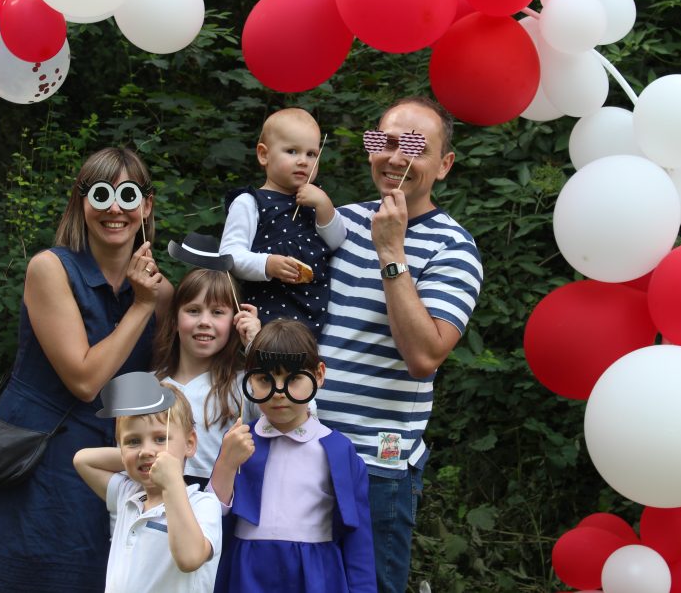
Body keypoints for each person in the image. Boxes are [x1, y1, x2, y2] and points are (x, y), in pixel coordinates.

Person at [0, 147, 173, 593]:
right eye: (101, 194)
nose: (115, 209)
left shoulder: (160, 293)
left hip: (111, 461)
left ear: (146, 205)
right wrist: (141, 306)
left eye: (128, 196)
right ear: (81, 202)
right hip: (37, 455)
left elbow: (169, 380)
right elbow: (84, 380)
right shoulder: (50, 269)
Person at [315, 96, 484, 593]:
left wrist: (391, 249)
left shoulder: (454, 248)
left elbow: (424, 356)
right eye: (385, 142)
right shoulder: (337, 222)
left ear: (445, 165)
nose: (395, 158)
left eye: (415, 147)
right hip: (297, 444)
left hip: (374, 468)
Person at [208, 319, 375, 593]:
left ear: (319, 375)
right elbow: (210, 518)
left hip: (317, 575)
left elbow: (358, 537)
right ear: (250, 378)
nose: (278, 393)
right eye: (265, 379)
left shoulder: (338, 449)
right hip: (247, 573)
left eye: (293, 378)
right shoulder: (238, 441)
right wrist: (226, 464)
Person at [73, 373, 222, 593]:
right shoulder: (128, 494)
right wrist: (131, 458)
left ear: (190, 444)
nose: (146, 450)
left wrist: (172, 482)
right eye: (133, 441)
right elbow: (83, 460)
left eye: (160, 439)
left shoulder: (202, 504)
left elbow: (190, 559)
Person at [220, 107, 346, 334]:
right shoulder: (250, 202)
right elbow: (229, 256)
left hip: (312, 315)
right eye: (292, 151)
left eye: (311, 154)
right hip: (265, 316)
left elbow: (336, 241)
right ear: (264, 155)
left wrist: (325, 206)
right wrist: (267, 264)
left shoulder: (315, 202)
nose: (303, 161)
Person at [152, 260, 262, 489]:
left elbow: (297, 412)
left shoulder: (247, 383)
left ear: (235, 321)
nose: (204, 322)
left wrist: (257, 347)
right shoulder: (151, 385)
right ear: (174, 320)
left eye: (217, 312)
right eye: (193, 311)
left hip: (222, 501)